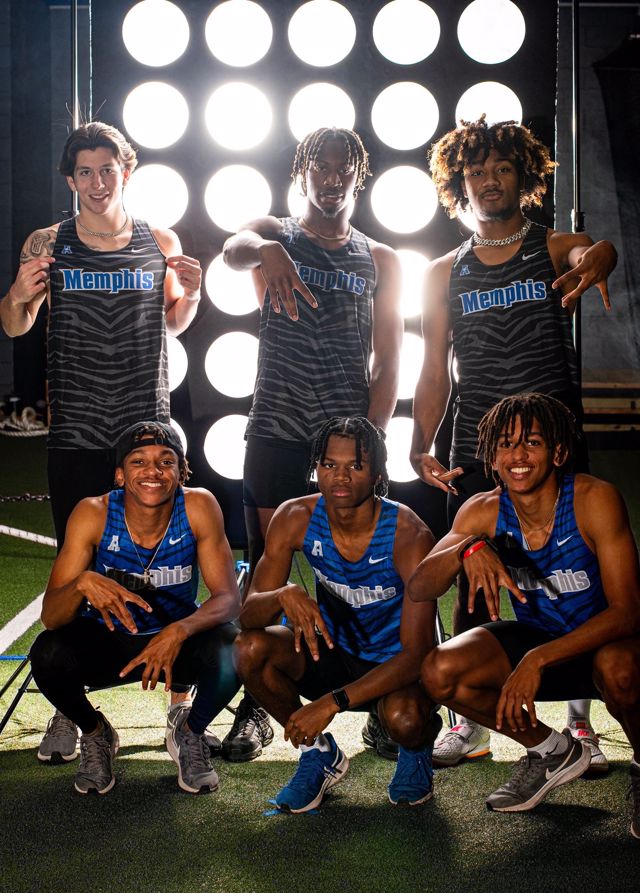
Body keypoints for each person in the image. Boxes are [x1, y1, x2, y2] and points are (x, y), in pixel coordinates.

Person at [0, 122, 227, 764]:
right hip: (77, 429)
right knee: (79, 568)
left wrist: (193, 293)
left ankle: (179, 710)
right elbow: (16, 323)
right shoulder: (49, 242)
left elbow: (173, 323)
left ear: (126, 172)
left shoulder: (160, 240)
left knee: (170, 559)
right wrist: (17, 294)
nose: (97, 183)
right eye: (85, 172)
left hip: (146, 430)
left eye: (108, 170)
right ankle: (70, 709)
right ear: (70, 179)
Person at [410, 117, 618, 769]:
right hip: (480, 448)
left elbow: (594, 253)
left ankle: (579, 720)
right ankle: (472, 721)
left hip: (554, 447)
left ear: (523, 177)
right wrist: (420, 442)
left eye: (502, 168)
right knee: (476, 576)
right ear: (459, 184)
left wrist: (598, 261)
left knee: (574, 574)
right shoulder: (444, 270)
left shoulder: (552, 246)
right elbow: (434, 367)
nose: (489, 180)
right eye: (476, 171)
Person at [223, 126, 403, 760]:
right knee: (266, 570)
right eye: (320, 168)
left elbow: (388, 362)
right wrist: (269, 251)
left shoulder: (379, 258)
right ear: (302, 173)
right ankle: (255, 707)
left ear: (359, 176)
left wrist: (371, 441)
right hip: (276, 427)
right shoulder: (274, 232)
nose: (332, 179)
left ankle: (382, 699)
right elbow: (234, 248)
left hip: (344, 443)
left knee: (357, 568)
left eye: (343, 169)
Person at [410, 394, 640, 837]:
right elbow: (421, 587)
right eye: (506, 444)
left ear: (558, 452)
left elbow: (628, 613)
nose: (517, 456)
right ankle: (552, 751)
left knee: (621, 668)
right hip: (538, 636)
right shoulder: (483, 509)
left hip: (604, 644)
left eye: (532, 443)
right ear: (492, 457)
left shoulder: (594, 499)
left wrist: (537, 659)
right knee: (440, 672)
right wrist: (467, 547)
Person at [234, 417, 440, 813]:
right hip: (333, 652)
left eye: (355, 466)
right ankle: (318, 754)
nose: (340, 477)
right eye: (329, 464)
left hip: (395, 665)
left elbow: (418, 654)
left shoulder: (409, 534)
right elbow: (248, 618)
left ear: (377, 473)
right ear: (316, 467)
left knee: (406, 720)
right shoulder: (295, 517)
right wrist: (282, 595)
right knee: (249, 649)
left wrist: (332, 702)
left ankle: (416, 751)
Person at [29, 421, 242, 796]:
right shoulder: (93, 513)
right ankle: (95, 732)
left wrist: (180, 630)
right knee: (47, 653)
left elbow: (228, 598)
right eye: (139, 461)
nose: (152, 472)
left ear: (181, 471)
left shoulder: (198, 506)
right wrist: (81, 584)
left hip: (173, 643)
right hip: (109, 640)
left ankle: (189, 732)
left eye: (165, 461)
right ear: (120, 474)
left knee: (236, 649)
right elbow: (52, 616)